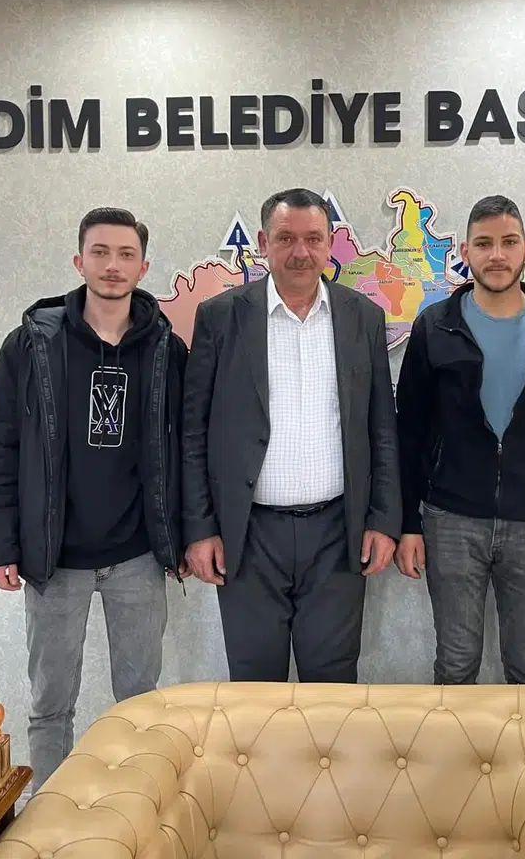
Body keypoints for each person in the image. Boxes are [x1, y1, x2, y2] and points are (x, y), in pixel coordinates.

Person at [0, 206, 188, 790]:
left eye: (125, 254)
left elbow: (187, 451)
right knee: (50, 704)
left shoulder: (167, 350)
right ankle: (47, 817)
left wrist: (183, 538)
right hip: (54, 558)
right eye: (100, 252)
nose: (112, 265)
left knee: (140, 703)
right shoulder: (32, 345)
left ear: (143, 267)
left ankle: (137, 808)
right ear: (78, 260)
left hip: (137, 556)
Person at [182, 187, 400, 682]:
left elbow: (381, 428)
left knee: (333, 686)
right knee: (255, 687)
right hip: (248, 537)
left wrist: (383, 520)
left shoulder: (362, 316)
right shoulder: (220, 317)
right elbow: (194, 433)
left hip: (338, 535)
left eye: (313, 238)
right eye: (285, 238)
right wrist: (200, 528)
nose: (300, 252)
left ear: (330, 244)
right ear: (263, 243)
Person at [394, 195, 525, 685]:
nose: (496, 255)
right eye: (483, 244)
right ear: (465, 252)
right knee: (456, 664)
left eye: (508, 242)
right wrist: (408, 524)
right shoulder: (435, 324)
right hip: (451, 518)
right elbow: (409, 428)